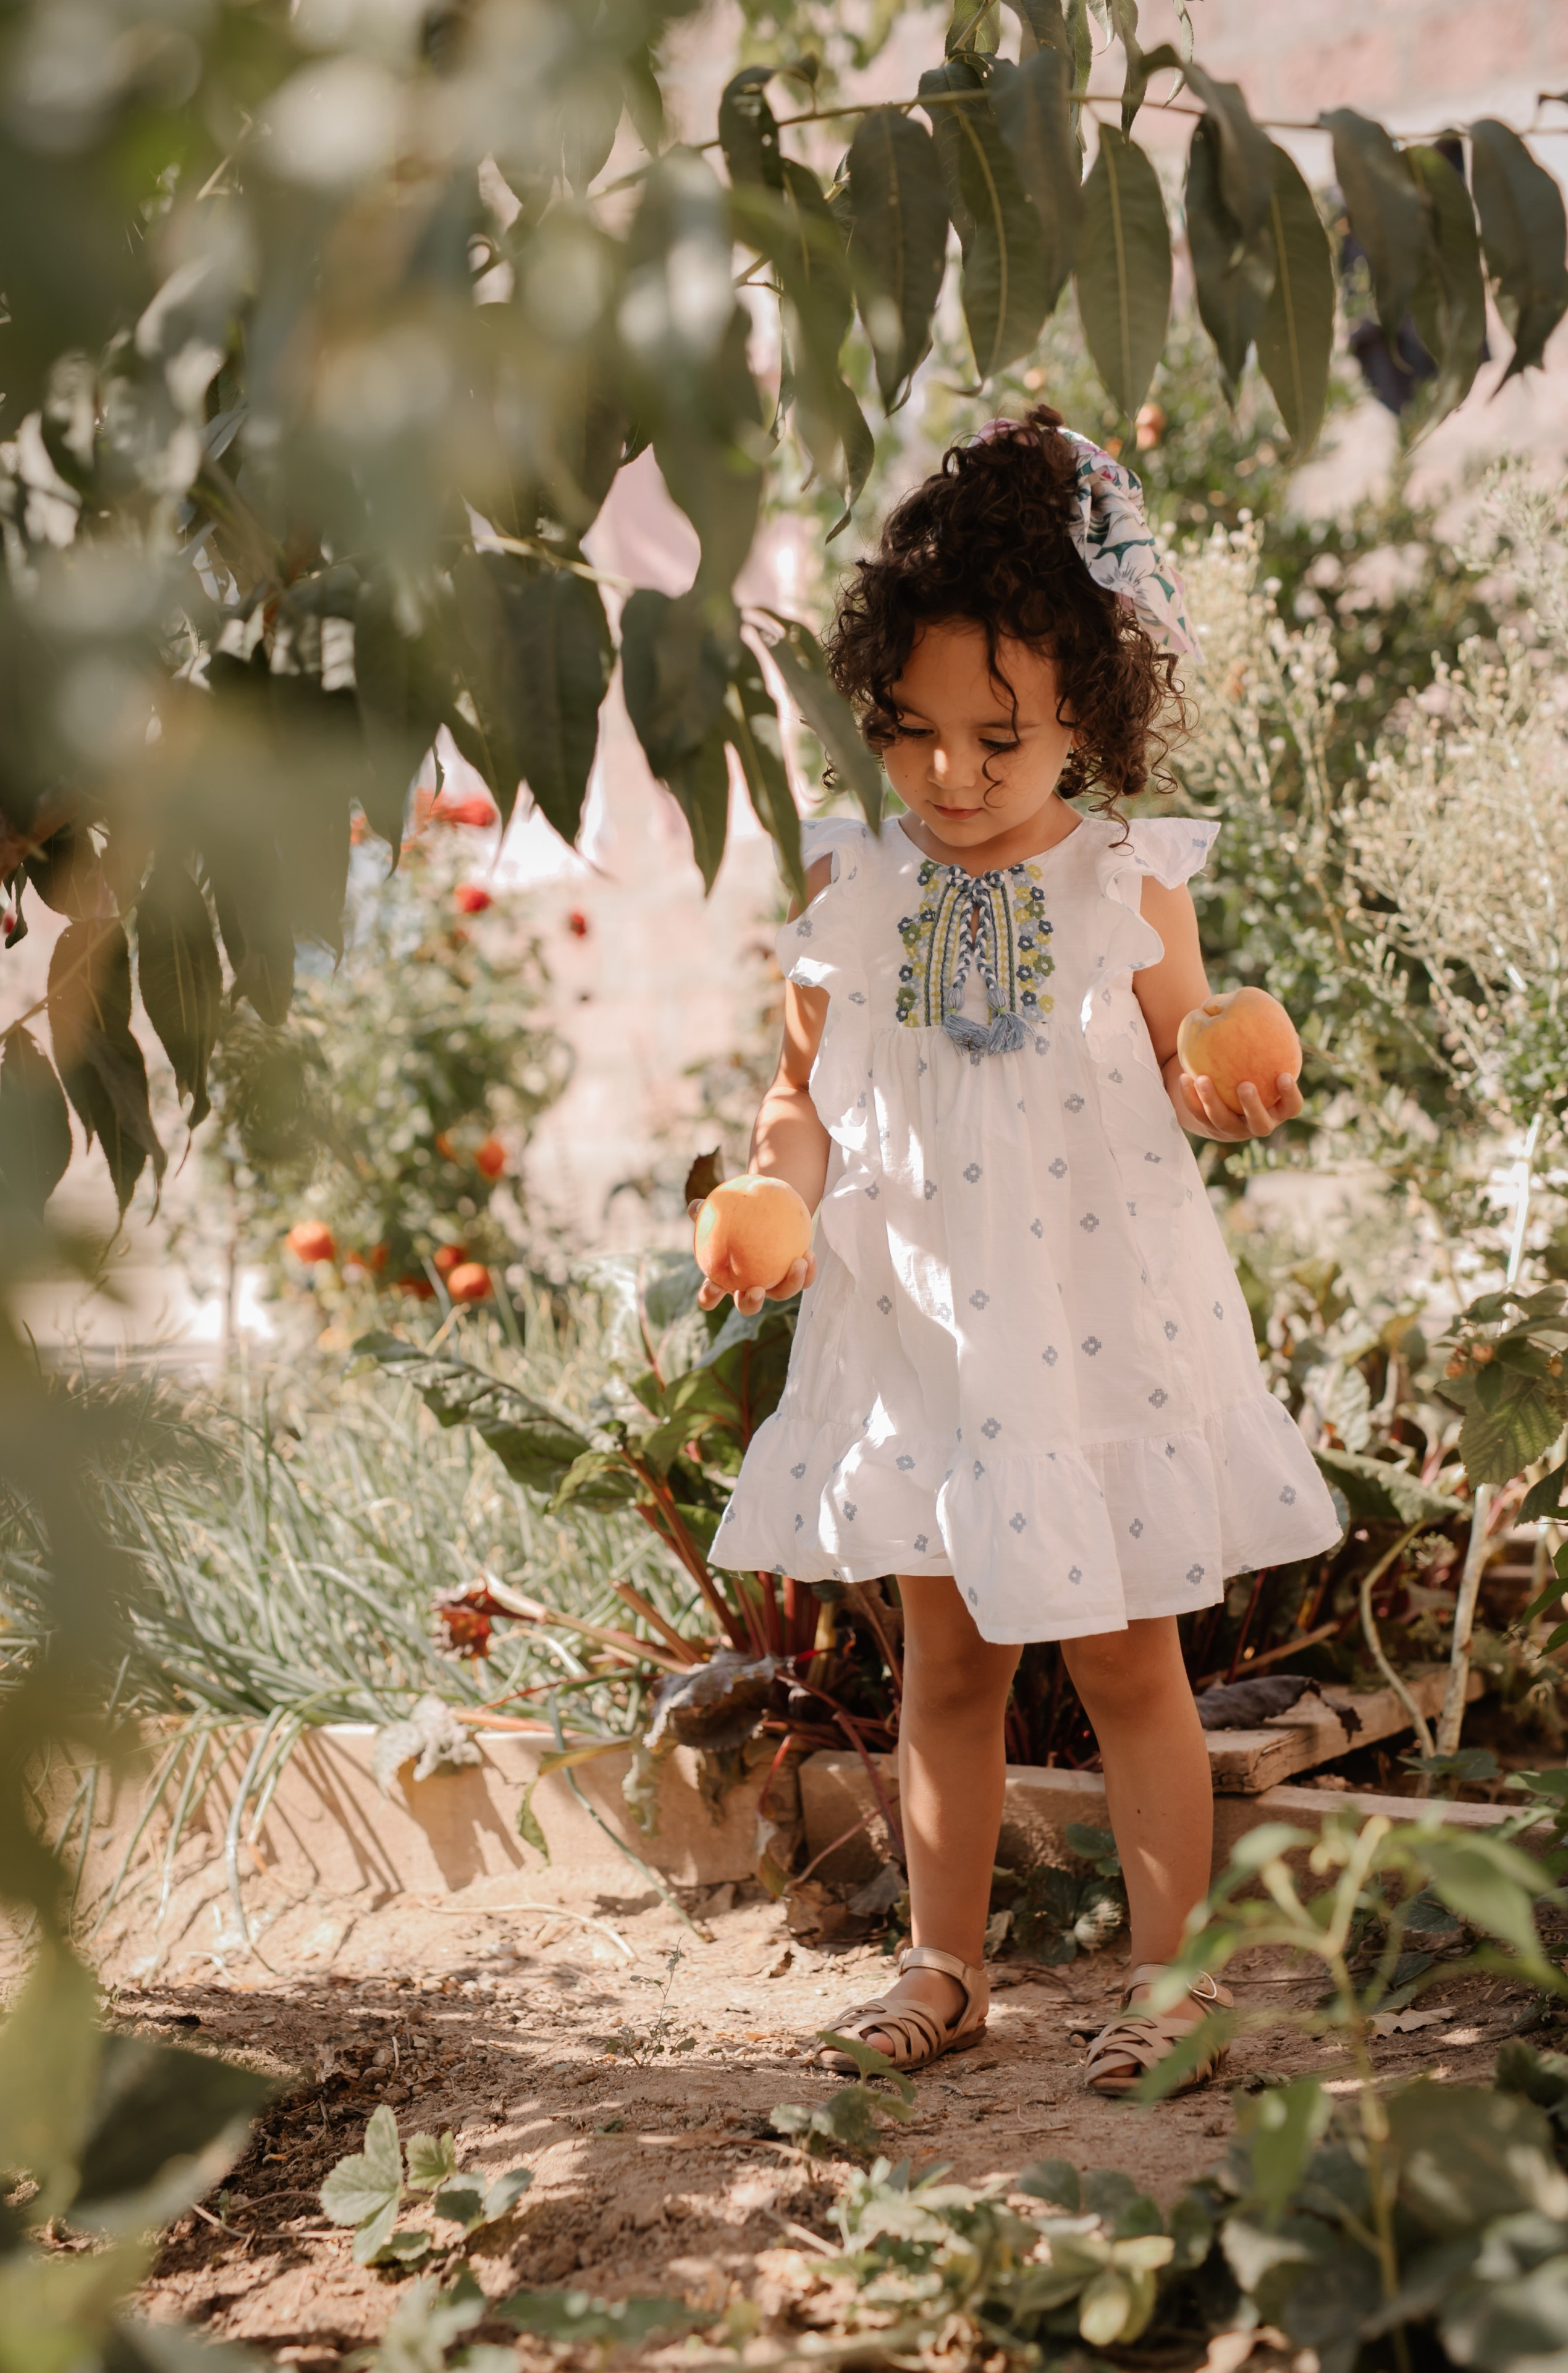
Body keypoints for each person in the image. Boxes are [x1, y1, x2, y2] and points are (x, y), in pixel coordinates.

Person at [699, 407, 1341, 2095]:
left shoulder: (1125, 879)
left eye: (1001, 737)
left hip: (1090, 1309)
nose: (954, 775)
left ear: (1088, 717)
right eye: (914, 733)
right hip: (924, 1322)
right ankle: (947, 1966)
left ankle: (1172, 1984)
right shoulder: (853, 886)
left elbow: (1186, 1055)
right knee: (950, 1660)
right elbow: (799, 1098)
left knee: (1129, 1658)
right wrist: (775, 1196)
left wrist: (1227, 1085)